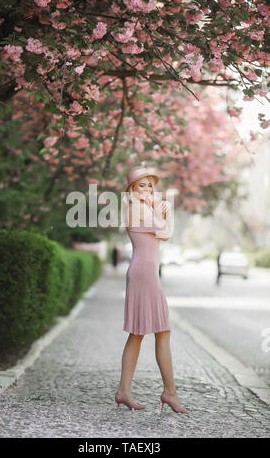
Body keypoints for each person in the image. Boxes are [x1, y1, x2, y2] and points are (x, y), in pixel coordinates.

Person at [115, 165, 188, 414]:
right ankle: (170, 392)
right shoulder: (136, 207)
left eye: (150, 185)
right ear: (132, 189)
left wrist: (158, 209)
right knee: (160, 331)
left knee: (140, 334)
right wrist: (167, 213)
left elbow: (159, 235)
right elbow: (166, 234)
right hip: (144, 274)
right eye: (141, 185)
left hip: (144, 272)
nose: (147, 189)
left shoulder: (143, 208)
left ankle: (125, 390)